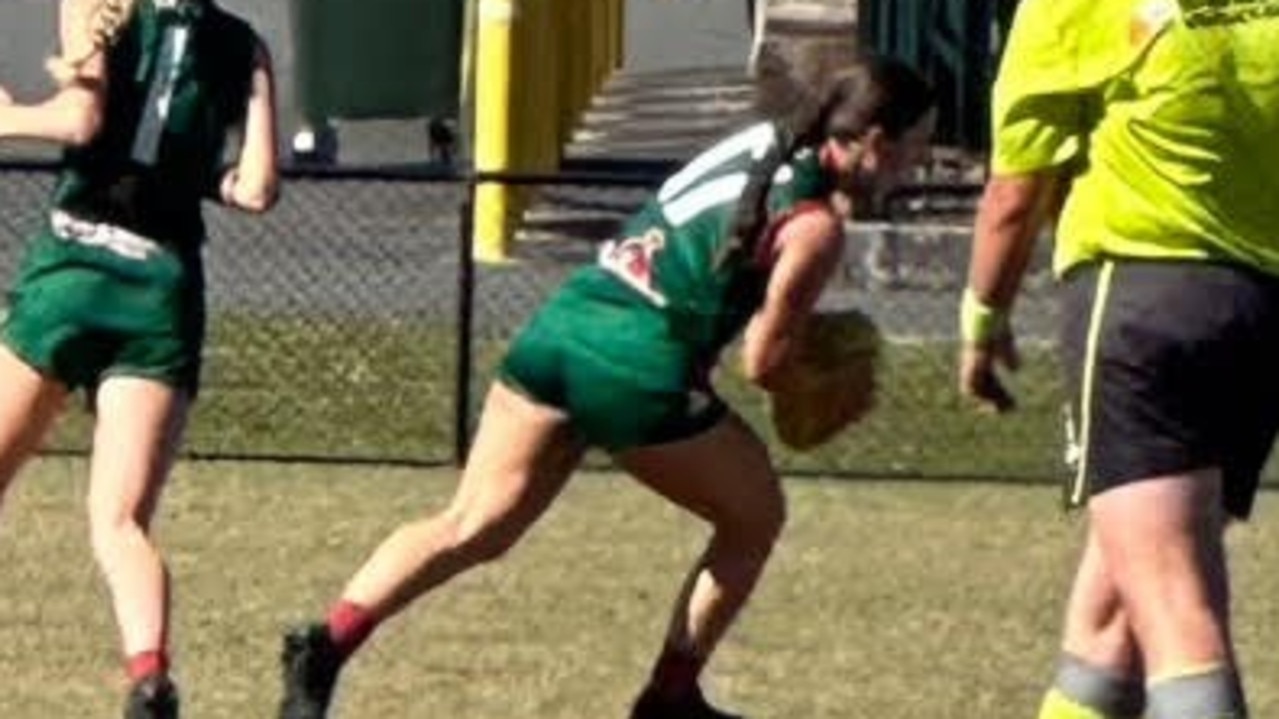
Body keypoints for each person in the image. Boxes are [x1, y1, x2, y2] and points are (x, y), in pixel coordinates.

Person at [277, 53, 935, 719]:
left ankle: (325, 645)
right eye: (915, 146)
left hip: (561, 331)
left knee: (470, 524)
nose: (920, 164)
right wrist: (819, 378)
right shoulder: (815, 226)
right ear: (873, 141)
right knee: (754, 516)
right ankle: (669, 699)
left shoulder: (762, 140)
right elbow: (762, 364)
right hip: (637, 368)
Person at [958, 1, 1279, 718]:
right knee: (1114, 607)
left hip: (1142, 297)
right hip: (1259, 308)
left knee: (1175, 609)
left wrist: (981, 321)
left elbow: (1013, 193)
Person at [0, 0, 279, 716]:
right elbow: (255, 189)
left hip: (76, 265)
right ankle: (150, 677)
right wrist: (189, 175)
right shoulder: (244, 46)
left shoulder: (100, 4)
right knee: (119, 523)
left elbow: (79, 123)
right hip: (160, 288)